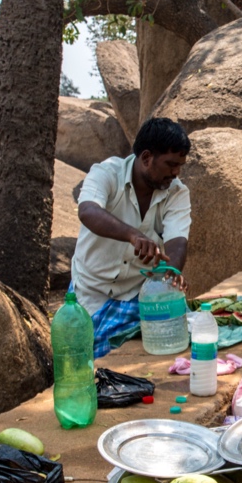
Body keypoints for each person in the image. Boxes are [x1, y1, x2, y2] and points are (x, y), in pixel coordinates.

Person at [71, 117, 192, 357]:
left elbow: (177, 240)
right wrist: (133, 235)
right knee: (92, 370)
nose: (176, 172)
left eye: (180, 165)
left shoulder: (177, 192)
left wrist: (172, 273)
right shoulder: (107, 172)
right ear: (146, 158)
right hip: (91, 293)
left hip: (137, 297)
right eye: (170, 164)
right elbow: (87, 211)